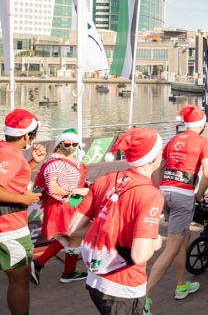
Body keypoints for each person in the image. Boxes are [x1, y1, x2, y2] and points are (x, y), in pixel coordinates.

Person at [68, 128, 165, 315]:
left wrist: (107, 236)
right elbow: (139, 255)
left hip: (95, 281)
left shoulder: (105, 179)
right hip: (124, 287)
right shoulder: (151, 195)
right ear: (152, 158)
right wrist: (155, 243)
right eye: (160, 149)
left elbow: (74, 228)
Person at [145, 105, 208, 314]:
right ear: (202, 126)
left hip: (165, 192)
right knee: (171, 247)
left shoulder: (174, 139)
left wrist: (158, 190)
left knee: (185, 235)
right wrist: (199, 195)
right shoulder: (203, 142)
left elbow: (158, 168)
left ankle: (182, 285)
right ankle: (142, 298)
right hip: (183, 195)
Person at [0, 109, 46, 315]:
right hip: (9, 229)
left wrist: (32, 163)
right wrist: (24, 199)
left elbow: (9, 180)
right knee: (20, 278)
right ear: (27, 136)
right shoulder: (12, 157)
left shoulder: (5, 151)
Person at [32, 128, 89, 284]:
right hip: (61, 205)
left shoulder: (65, 160)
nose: (70, 147)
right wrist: (78, 190)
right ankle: (65, 271)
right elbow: (53, 188)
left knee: (70, 237)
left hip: (67, 203)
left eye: (74, 144)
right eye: (67, 144)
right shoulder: (55, 163)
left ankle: (43, 264)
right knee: (75, 235)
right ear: (59, 144)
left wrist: (86, 186)